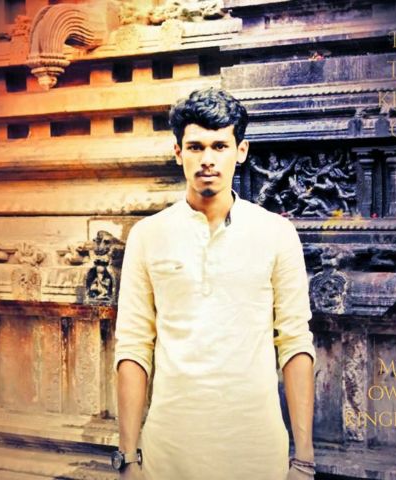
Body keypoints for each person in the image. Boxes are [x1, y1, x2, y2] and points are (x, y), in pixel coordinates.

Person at [112, 87, 316, 480]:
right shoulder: (148, 236)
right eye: (196, 147)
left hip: (256, 454)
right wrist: (128, 457)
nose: (207, 159)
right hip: (168, 455)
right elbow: (134, 347)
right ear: (178, 152)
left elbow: (294, 343)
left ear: (241, 151)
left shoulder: (276, 234)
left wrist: (304, 461)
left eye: (220, 146)